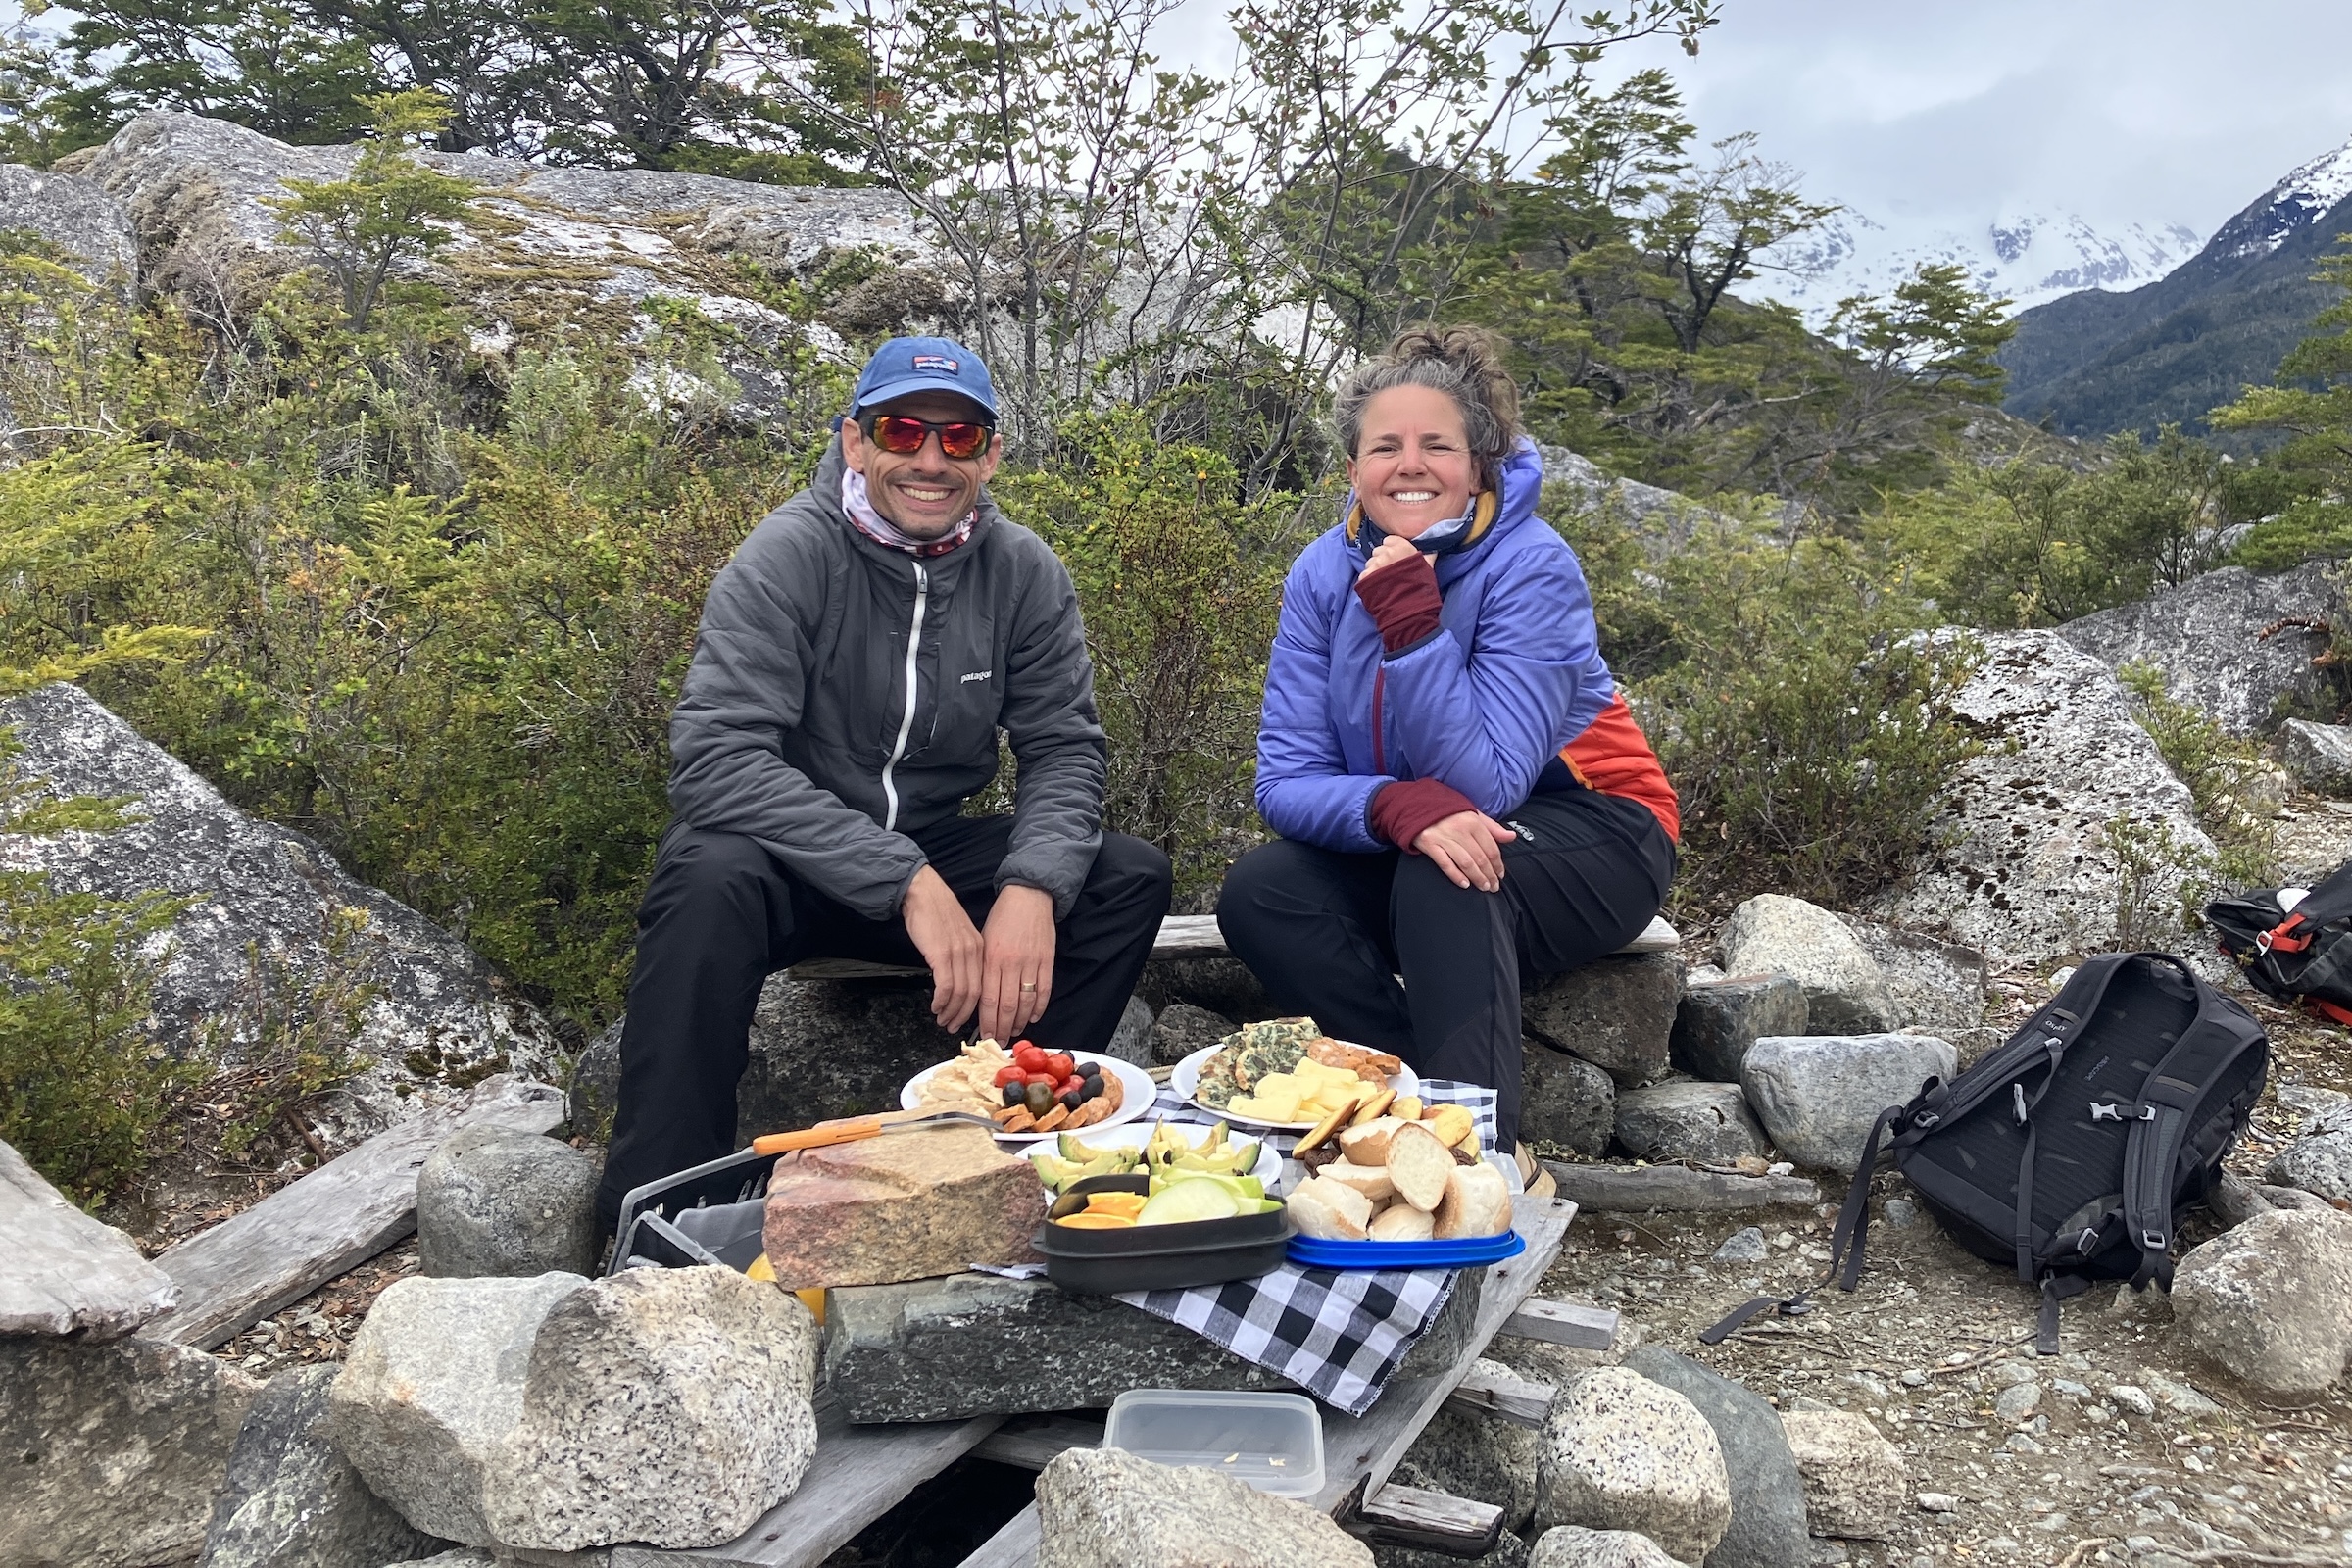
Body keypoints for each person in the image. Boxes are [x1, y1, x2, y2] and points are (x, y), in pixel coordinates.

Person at [594, 336, 1172, 1232]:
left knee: (1121, 874)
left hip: (934, 846)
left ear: (991, 453)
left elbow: (1064, 749)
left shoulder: (1021, 572)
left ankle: (1010, 1153)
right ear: (856, 441)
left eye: (961, 437)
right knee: (706, 878)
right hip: (792, 863)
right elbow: (717, 759)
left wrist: (1029, 886)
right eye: (903, 430)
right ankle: (660, 1213)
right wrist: (902, 879)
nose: (931, 459)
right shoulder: (788, 555)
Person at [1215, 325, 1678, 1158]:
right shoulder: (1321, 574)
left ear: (1479, 463)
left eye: (1438, 444)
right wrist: (1392, 803)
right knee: (1263, 891)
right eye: (1385, 446)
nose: (1411, 464)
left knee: (1450, 871)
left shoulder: (1530, 565)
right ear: (1353, 468)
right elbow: (1284, 781)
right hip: (1422, 827)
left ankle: (1478, 1168)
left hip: (1600, 826)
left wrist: (1411, 621)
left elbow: (1491, 784)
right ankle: (1417, 1112)